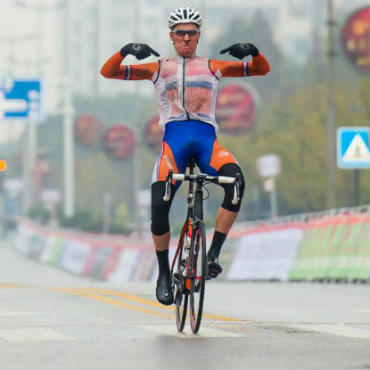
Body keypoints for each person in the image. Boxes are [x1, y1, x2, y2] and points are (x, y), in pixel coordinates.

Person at [101, 6, 270, 306]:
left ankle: (213, 255)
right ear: (172, 36)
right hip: (173, 145)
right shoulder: (158, 68)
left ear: (199, 35)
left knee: (237, 183)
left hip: (208, 143)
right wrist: (125, 50)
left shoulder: (213, 66)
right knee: (158, 207)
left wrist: (254, 52)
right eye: (181, 33)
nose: (187, 38)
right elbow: (108, 72)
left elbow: (262, 69)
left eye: (192, 33)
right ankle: (164, 274)